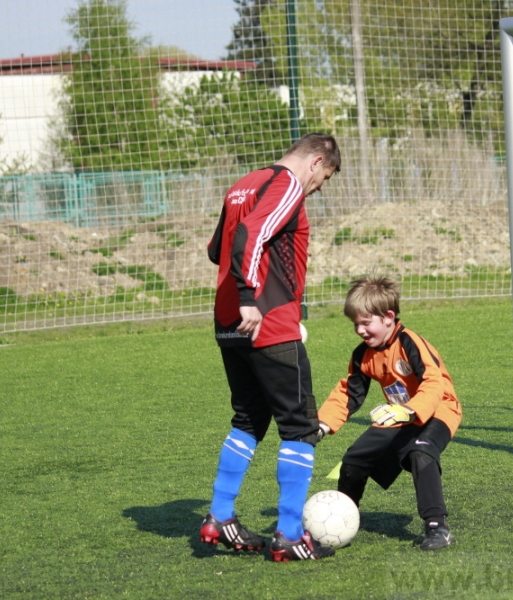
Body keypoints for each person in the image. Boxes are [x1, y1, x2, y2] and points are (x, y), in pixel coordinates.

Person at [201, 133, 341, 562]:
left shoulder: (244, 182)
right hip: (267, 322)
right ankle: (288, 532)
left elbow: (215, 249)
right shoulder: (287, 185)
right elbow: (249, 233)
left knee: (249, 419)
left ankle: (219, 516)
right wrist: (252, 296)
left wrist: (241, 295)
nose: (318, 189)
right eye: (325, 178)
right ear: (316, 162)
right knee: (299, 426)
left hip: (229, 324)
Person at [316, 276, 462, 550]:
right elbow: (349, 393)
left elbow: (434, 383)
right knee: (354, 459)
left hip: (440, 409)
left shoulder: (410, 343)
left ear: (388, 317)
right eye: (355, 324)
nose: (359, 330)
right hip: (398, 416)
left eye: (365, 322)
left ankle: (437, 526)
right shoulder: (363, 354)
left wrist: (409, 411)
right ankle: (341, 521)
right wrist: (321, 425)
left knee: (421, 450)